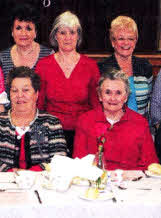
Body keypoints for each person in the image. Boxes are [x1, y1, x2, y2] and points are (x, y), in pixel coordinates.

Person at [35, 11, 100, 155]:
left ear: (78, 36)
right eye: (62, 32)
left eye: (72, 32)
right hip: (51, 133)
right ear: (55, 36)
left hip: (83, 133)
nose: (68, 37)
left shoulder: (90, 66)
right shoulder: (43, 66)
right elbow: (39, 105)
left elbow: (96, 106)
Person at [0, 67, 67, 172]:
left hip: (41, 184)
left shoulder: (51, 123)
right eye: (14, 91)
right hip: (3, 183)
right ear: (9, 94)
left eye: (26, 90)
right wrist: (11, 173)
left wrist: (30, 174)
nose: (20, 95)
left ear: (36, 94)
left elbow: (60, 158)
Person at [73, 70, 159, 170]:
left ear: (126, 97)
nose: (113, 98)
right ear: (100, 96)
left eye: (118, 93)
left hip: (130, 182)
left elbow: (150, 164)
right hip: (95, 181)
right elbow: (78, 161)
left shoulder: (140, 123)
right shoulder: (85, 121)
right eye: (108, 92)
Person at [98, 16, 153, 117]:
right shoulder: (101, 68)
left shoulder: (145, 66)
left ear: (135, 41)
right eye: (121, 38)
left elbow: (151, 100)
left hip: (141, 127)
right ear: (113, 42)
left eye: (130, 38)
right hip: (112, 127)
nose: (126, 43)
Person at [0, 3, 54, 88]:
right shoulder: (2, 58)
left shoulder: (48, 55)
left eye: (28, 28)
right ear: (12, 32)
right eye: (18, 28)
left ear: (35, 33)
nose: (23, 33)